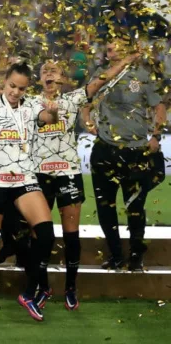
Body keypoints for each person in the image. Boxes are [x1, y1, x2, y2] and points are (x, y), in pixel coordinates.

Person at [33, 53, 139, 310]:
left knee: (71, 234)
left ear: (62, 78)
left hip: (68, 173)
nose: (50, 73)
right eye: (45, 70)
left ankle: (70, 288)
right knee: (40, 236)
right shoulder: (30, 103)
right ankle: (41, 286)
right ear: (39, 79)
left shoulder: (72, 99)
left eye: (54, 70)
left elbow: (100, 81)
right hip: (39, 174)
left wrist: (123, 62)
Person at [0, 61, 59, 326]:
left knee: (46, 234)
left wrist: (54, 112)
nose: (15, 92)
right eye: (12, 86)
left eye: (21, 88)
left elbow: (48, 119)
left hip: (24, 178)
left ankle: (28, 293)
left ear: (27, 88)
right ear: (5, 80)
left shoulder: (31, 105)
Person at [82, 36, 165, 271]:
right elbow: (84, 102)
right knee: (105, 206)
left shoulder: (142, 74)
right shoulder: (100, 74)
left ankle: (136, 255)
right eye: (109, 49)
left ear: (127, 49)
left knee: (135, 206)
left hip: (135, 151)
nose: (112, 52)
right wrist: (87, 121)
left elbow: (159, 106)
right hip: (105, 149)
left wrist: (156, 135)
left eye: (117, 48)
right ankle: (116, 255)